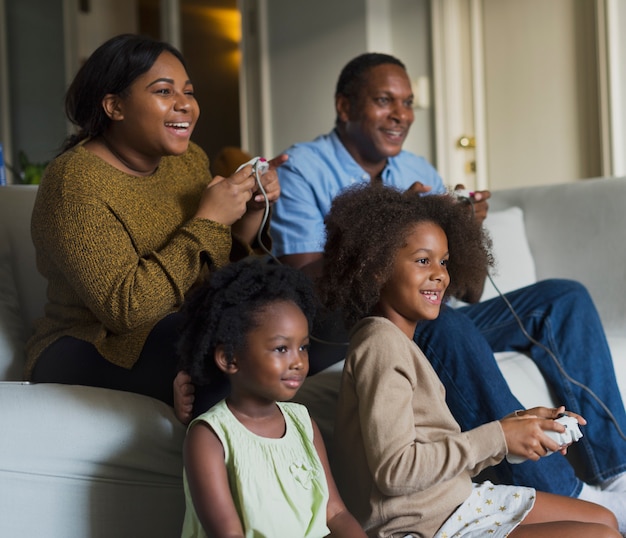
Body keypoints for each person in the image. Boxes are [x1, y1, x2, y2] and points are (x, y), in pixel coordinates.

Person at [269, 51, 626, 527]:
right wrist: (392, 239)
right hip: (360, 315)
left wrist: (462, 229)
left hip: (428, 310)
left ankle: (617, 473)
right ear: (345, 106)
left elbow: (467, 286)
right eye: (384, 101)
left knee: (563, 297)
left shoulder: (417, 166)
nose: (401, 115)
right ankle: (565, 490)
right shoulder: (303, 168)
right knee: (447, 325)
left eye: (409, 102)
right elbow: (307, 283)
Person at [316, 183, 620, 537]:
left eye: (444, 261)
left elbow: (437, 443)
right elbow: (395, 472)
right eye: (423, 260)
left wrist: (521, 425)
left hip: (455, 500)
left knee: (605, 519)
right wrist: (500, 437)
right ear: (376, 268)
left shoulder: (402, 341)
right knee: (603, 535)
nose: (440, 274)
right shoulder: (379, 344)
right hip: (421, 524)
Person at [25, 33, 281, 410]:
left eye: (189, 93)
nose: (185, 106)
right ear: (114, 106)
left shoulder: (187, 158)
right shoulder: (75, 183)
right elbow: (127, 309)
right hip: (89, 342)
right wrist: (208, 219)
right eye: (164, 92)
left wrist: (250, 210)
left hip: (181, 324)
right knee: (228, 347)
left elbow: (212, 270)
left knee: (286, 318)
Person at [176, 258, 366, 538]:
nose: (298, 361)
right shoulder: (210, 437)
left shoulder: (303, 423)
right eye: (281, 349)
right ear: (229, 358)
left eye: (302, 347)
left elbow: (335, 512)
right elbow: (229, 533)